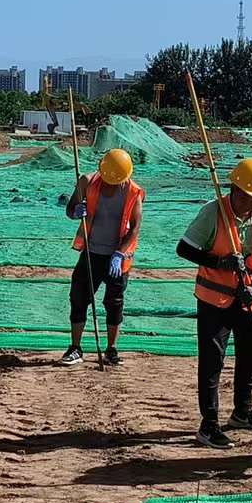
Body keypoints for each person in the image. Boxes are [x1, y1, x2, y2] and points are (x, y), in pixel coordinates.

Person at [175, 157, 252, 449]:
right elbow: (184, 248)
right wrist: (218, 261)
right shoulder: (213, 212)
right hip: (214, 301)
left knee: (249, 356)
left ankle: (242, 412)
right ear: (234, 189)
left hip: (248, 301)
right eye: (248, 197)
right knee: (212, 362)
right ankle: (209, 425)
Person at [61, 148, 143, 367]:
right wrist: (76, 211)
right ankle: (76, 347)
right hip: (92, 253)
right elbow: (70, 210)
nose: (112, 185)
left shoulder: (133, 192)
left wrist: (119, 253)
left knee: (114, 302)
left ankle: (111, 349)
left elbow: (134, 229)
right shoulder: (86, 182)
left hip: (117, 257)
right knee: (79, 297)